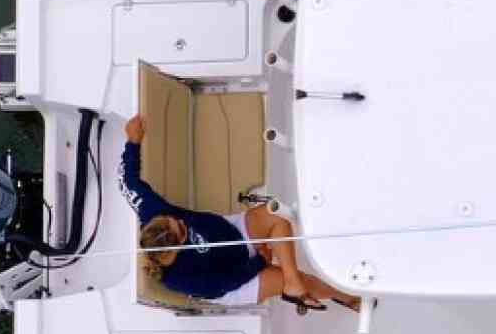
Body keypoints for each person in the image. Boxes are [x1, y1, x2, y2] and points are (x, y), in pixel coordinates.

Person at [118, 115, 362, 312]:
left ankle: (292, 283)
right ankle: (344, 297)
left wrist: (133, 140)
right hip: (235, 282)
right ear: (178, 246)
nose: (181, 221)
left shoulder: (152, 212)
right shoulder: (178, 277)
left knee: (276, 215)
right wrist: (260, 261)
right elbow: (224, 282)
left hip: (232, 232)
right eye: (181, 229)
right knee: (303, 279)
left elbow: (129, 181)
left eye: (174, 219)